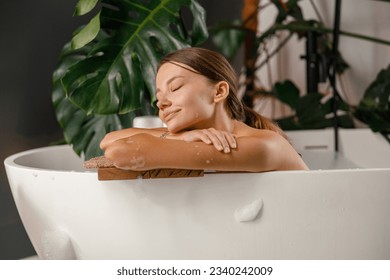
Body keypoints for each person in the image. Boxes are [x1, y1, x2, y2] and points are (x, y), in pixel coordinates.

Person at [100, 47, 309, 172]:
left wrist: (180, 139)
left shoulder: (265, 145)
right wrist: (183, 138)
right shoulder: (199, 135)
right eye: (159, 96)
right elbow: (108, 140)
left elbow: (121, 152)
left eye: (175, 88)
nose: (161, 103)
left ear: (219, 91)